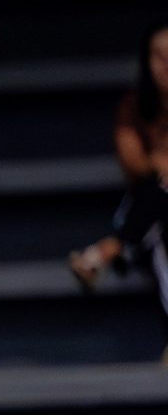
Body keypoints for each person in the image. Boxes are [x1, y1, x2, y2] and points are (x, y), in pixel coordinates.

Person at [68, 22, 168, 362]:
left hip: (140, 215)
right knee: (161, 231)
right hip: (150, 208)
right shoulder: (134, 106)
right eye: (159, 56)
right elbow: (134, 165)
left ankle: (109, 249)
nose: (166, 65)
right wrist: (159, 160)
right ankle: (121, 246)